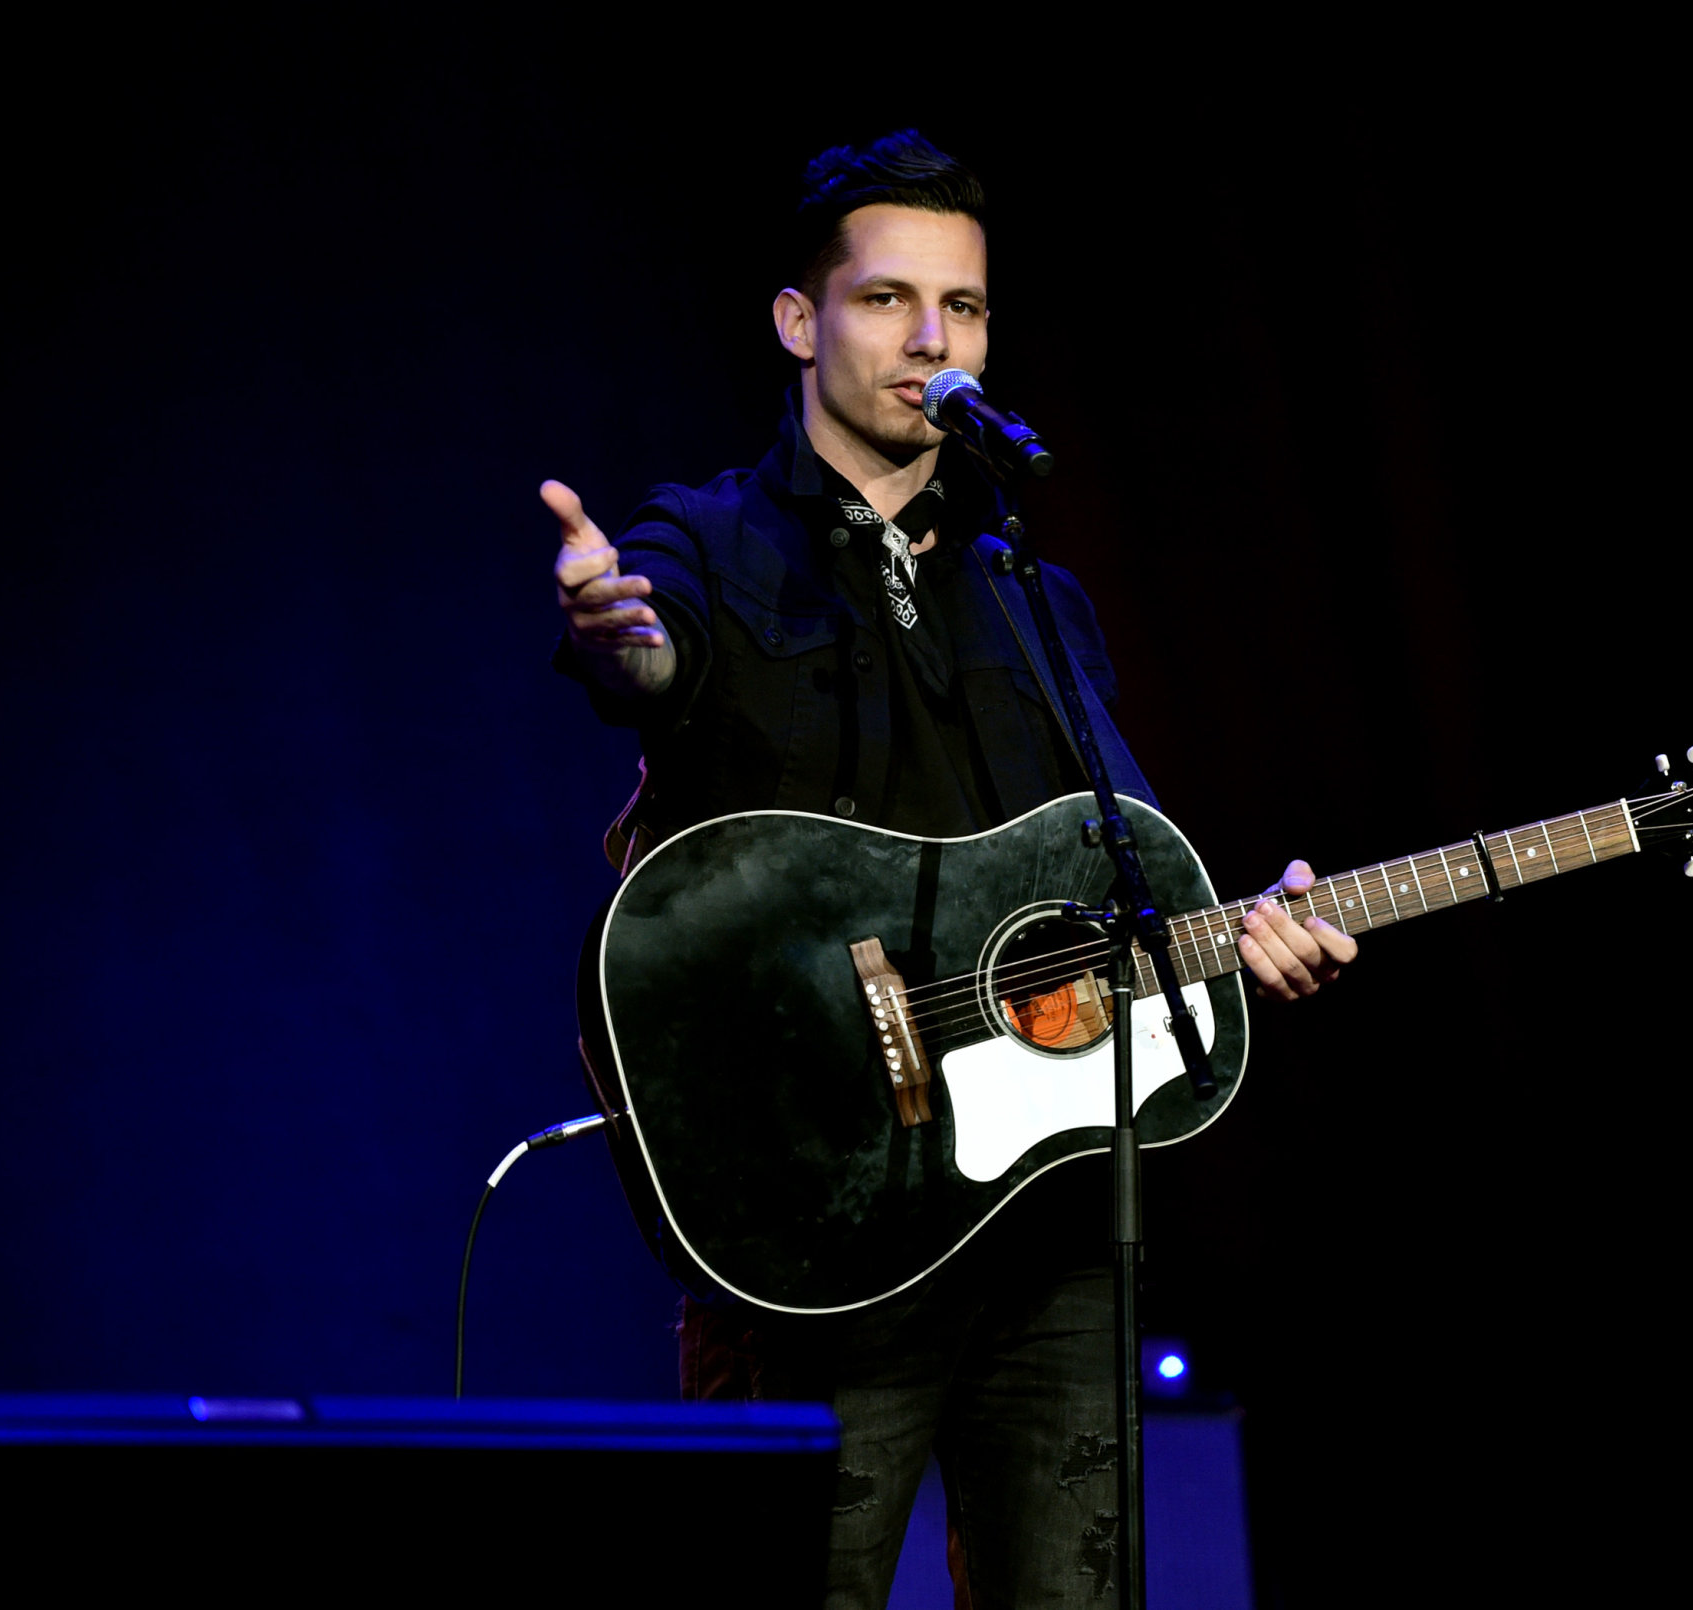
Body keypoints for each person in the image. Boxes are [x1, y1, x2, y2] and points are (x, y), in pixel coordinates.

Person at [546, 131, 1355, 1609]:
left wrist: (1250, 931)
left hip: (1042, 1238)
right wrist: (626, 636)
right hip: (810, 1234)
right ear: (802, 321)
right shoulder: (709, 543)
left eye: (964, 309)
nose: (932, 341)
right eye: (887, 300)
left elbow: (1123, 895)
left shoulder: (1033, 597)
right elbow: (652, 655)